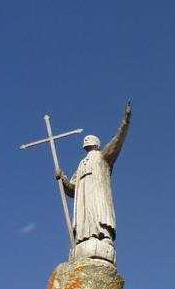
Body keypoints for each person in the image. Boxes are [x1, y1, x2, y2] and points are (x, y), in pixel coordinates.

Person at [55, 102, 131, 264]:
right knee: (85, 219)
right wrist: (62, 178)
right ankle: (83, 239)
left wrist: (125, 121)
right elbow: (72, 189)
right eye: (86, 138)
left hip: (97, 195)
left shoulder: (102, 157)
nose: (87, 139)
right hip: (83, 202)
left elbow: (117, 141)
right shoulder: (81, 164)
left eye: (90, 138)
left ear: (97, 143)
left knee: (98, 215)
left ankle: (103, 238)